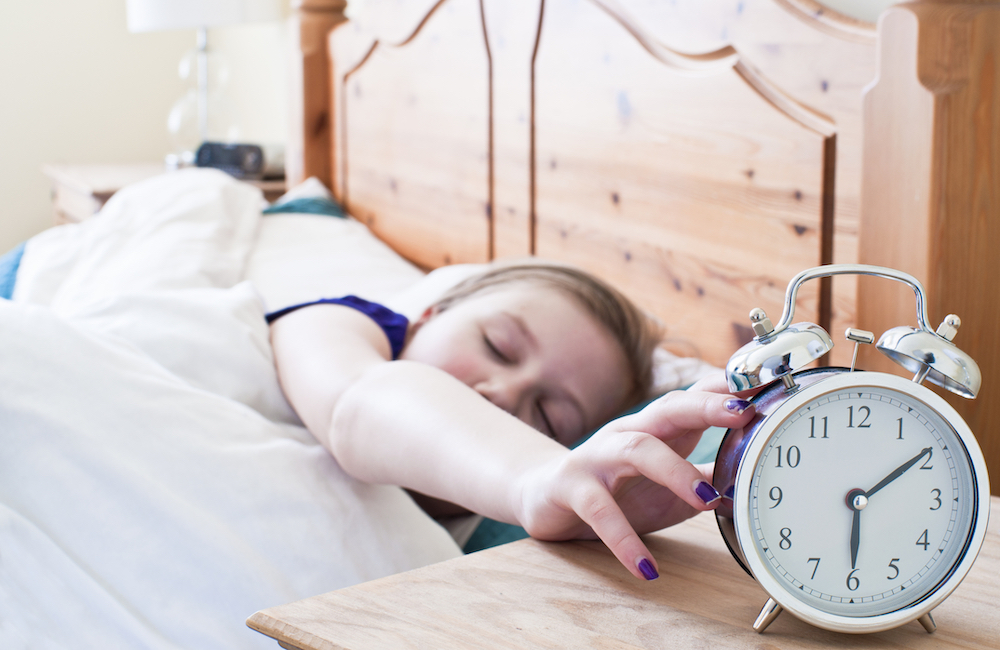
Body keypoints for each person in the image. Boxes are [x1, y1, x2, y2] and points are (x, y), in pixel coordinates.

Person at [269, 261, 756, 582]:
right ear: (430, 315)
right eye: (497, 346)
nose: (501, 394)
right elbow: (358, 401)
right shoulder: (341, 324)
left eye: (548, 414)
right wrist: (535, 478)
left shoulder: (471, 537)